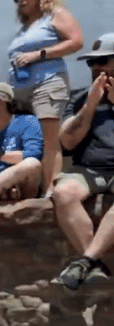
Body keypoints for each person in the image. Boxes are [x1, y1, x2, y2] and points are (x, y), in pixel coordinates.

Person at [52, 33, 114, 289]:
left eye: (104, 61)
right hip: (87, 169)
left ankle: (85, 260)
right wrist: (89, 107)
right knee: (63, 192)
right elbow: (67, 142)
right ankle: (94, 265)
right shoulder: (79, 98)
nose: (96, 68)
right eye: (92, 63)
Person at [8, 0, 84, 192]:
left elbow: (76, 42)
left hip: (47, 83)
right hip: (21, 92)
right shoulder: (26, 25)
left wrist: (38, 54)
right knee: (28, 141)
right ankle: (29, 190)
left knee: (49, 139)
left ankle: (50, 192)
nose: (20, 1)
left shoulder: (55, 14)